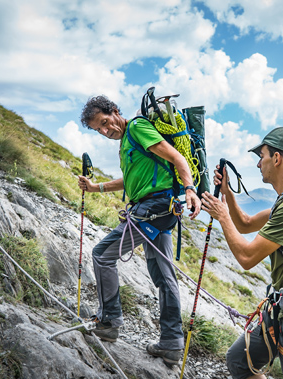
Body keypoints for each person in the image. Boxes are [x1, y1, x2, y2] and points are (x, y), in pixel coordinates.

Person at [77, 95, 201, 365]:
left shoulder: (136, 128)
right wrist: (96, 187)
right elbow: (131, 179)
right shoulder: (127, 142)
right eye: (99, 129)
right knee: (163, 274)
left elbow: (177, 157)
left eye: (105, 122)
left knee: (102, 254)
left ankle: (109, 322)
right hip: (162, 212)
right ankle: (171, 342)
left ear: (114, 111)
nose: (105, 130)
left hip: (153, 209)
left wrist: (190, 188)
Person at [201, 127, 283, 379]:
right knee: (240, 360)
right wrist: (227, 194)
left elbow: (247, 258)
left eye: (261, 155)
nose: (258, 163)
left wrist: (221, 215)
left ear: (277, 158)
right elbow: (246, 224)